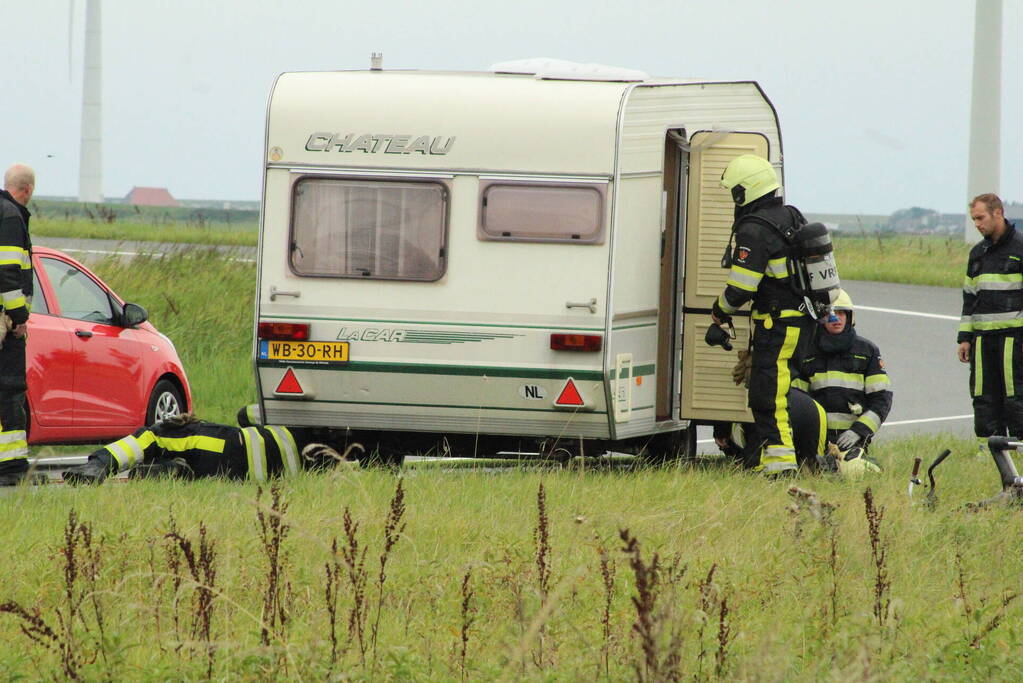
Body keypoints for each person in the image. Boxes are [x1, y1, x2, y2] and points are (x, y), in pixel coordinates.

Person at [712, 154, 817, 475]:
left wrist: (719, 311)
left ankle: (782, 466)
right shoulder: (790, 216)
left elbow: (742, 286)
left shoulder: (755, 229)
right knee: (768, 392)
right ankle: (774, 462)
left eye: (736, 191)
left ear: (747, 190)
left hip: (779, 324)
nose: (734, 199)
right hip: (797, 321)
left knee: (770, 396)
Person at [62, 409, 356, 484]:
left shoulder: (303, 421)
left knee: (156, 435)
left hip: (230, 448)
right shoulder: (334, 461)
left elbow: (248, 413)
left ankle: (99, 465)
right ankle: (174, 473)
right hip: (236, 472)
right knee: (196, 465)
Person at [957, 193, 1023, 454]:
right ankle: (989, 452)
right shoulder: (977, 253)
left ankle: (1018, 453)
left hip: (1013, 340)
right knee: (983, 398)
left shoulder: (1020, 248)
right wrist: (964, 338)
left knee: (1015, 397)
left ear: (998, 213)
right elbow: (969, 299)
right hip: (982, 341)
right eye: (973, 219)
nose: (977, 224)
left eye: (981, 217)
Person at [792, 289, 892, 451]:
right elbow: (798, 401)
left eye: (841, 313)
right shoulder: (807, 352)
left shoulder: (867, 351)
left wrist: (858, 432)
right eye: (830, 313)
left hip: (852, 442)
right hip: (815, 440)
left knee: (853, 471)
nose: (836, 318)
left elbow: (881, 400)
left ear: (850, 317)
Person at [713, 387, 879, 479]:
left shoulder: (740, 424)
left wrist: (746, 467)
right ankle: (828, 470)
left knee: (757, 470)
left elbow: (751, 460)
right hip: (813, 408)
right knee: (811, 466)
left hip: (783, 407)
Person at [0, 165, 35, 486]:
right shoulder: (11, 217)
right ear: (26, 189)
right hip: (5, 321)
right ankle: (10, 465)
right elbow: (9, 273)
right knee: (9, 388)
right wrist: (19, 317)